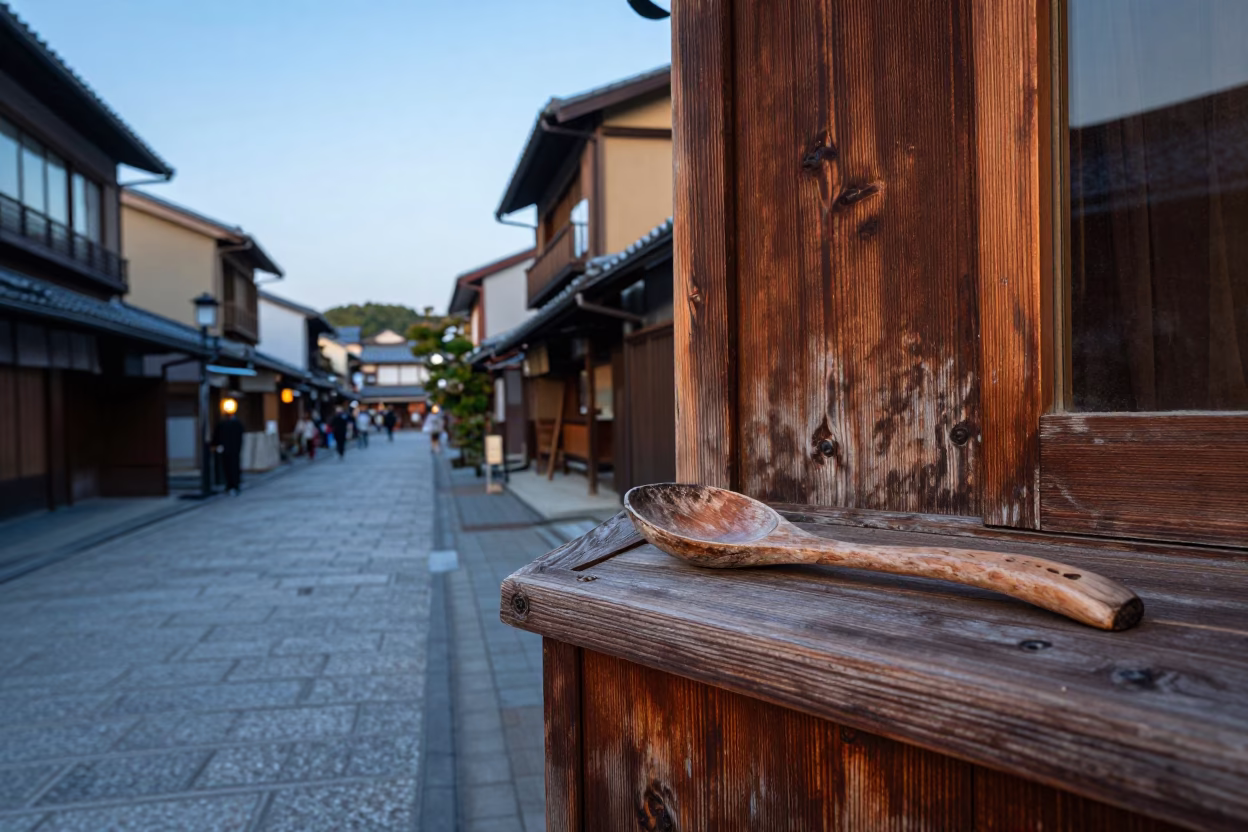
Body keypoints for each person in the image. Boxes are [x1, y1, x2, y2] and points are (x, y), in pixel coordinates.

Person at [213, 411, 245, 495]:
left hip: (228, 450)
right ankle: (233, 485)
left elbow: (216, 437)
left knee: (230, 468)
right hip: (232, 450)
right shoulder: (234, 425)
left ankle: (232, 485)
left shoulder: (226, 425)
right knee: (231, 468)